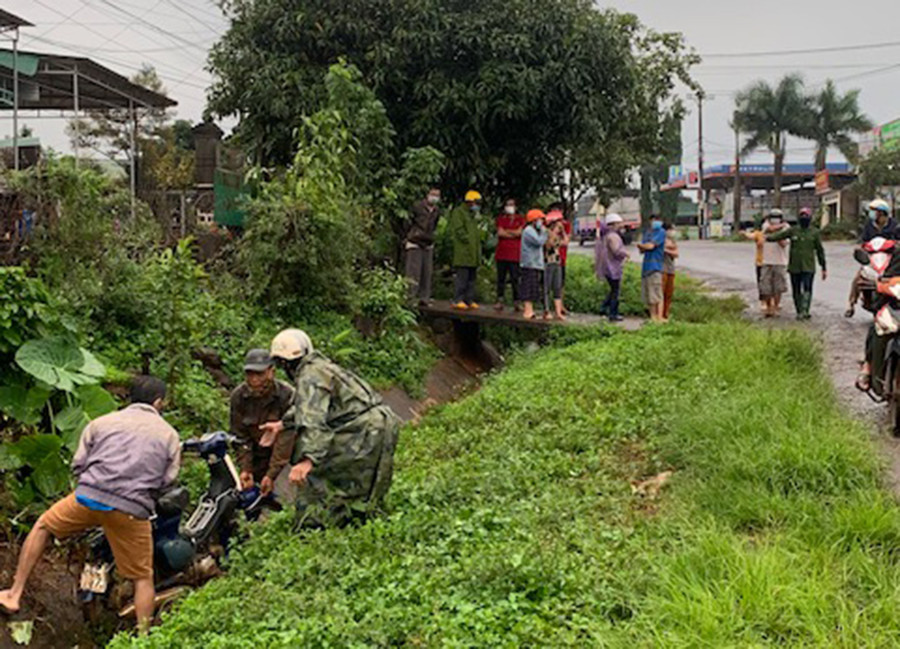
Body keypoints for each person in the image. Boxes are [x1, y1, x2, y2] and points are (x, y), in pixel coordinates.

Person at [0, 376, 180, 632]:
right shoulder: (169, 435)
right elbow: (168, 480)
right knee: (142, 576)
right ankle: (144, 637)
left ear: (129, 398)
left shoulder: (101, 422)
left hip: (88, 498)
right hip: (130, 510)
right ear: (159, 402)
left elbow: (78, 463)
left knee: (42, 526)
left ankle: (14, 594)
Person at [270, 329, 400, 528]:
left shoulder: (309, 375)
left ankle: (313, 532)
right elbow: (308, 405)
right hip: (381, 423)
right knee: (368, 485)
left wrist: (308, 460)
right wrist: (282, 424)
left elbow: (313, 419)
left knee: (319, 484)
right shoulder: (321, 367)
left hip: (362, 430)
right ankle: (362, 526)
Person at [230, 349, 296, 497]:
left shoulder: (287, 395)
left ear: (271, 372)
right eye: (250, 374)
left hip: (285, 460)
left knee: (284, 497)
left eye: (259, 374)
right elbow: (240, 437)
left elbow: (287, 439)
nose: (254, 379)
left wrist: (272, 474)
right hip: (255, 456)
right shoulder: (239, 397)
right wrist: (246, 469)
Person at [767, 208, 827, 320]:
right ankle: (799, 311)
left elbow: (820, 251)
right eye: (802, 215)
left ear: (810, 218)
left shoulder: (814, 232)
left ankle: (805, 310)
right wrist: (765, 237)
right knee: (796, 289)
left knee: (807, 288)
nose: (804, 217)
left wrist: (823, 267)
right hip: (794, 266)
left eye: (806, 215)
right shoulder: (793, 231)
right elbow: (778, 236)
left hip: (808, 266)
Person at [847, 199, 897, 317]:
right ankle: (851, 304)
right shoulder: (869, 225)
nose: (873, 214)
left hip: (890, 259)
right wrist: (860, 249)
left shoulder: (894, 225)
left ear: (882, 213)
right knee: (858, 278)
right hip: (873, 259)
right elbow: (863, 241)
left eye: (875, 211)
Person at [405, 187, 442, 305]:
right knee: (413, 271)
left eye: (437, 195)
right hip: (414, 241)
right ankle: (410, 298)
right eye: (433, 194)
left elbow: (434, 225)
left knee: (427, 271)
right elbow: (408, 222)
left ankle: (424, 298)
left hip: (428, 242)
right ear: (427, 195)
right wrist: (410, 235)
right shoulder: (417, 207)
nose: (434, 197)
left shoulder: (437, 211)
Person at [448, 190, 483, 310]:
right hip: (463, 252)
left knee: (471, 279)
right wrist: (467, 241)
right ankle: (458, 299)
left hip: (473, 253)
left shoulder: (473, 216)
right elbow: (459, 231)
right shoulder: (459, 212)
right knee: (462, 278)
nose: (477, 205)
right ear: (470, 202)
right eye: (476, 203)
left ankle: (469, 299)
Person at [595, 213, 629, 322]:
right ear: (613, 224)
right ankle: (613, 314)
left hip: (608, 267)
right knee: (615, 291)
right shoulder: (613, 236)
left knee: (613, 289)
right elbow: (616, 250)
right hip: (612, 267)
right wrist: (625, 254)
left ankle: (603, 307)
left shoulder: (606, 236)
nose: (621, 225)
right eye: (619, 223)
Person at [494, 198, 526, 311]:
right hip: (501, 254)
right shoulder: (501, 219)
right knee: (500, 279)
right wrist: (513, 233)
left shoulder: (520, 219)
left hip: (515, 254)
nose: (509, 207)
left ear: (516, 207)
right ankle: (499, 300)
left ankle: (517, 302)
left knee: (515, 279)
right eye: (507, 205)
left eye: (512, 205)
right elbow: (500, 233)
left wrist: (507, 232)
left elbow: (520, 233)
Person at [758, 209, 790, 318]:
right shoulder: (765, 225)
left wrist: (777, 235)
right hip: (766, 261)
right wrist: (777, 230)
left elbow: (783, 243)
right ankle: (768, 307)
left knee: (778, 287)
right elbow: (768, 229)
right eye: (773, 217)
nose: (775, 220)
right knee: (766, 286)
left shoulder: (786, 228)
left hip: (780, 261)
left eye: (777, 217)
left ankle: (775, 307)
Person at [636, 214, 667, 323]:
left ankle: (659, 317)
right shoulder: (647, 233)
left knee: (656, 293)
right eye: (653, 220)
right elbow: (643, 249)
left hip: (656, 267)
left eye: (657, 220)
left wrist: (642, 246)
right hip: (646, 267)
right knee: (649, 294)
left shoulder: (661, 232)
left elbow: (650, 246)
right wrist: (642, 246)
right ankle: (652, 317)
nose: (654, 222)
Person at [520, 209, 548, 320]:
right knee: (528, 287)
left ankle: (530, 310)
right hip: (529, 263)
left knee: (533, 288)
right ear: (534, 220)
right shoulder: (528, 231)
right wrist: (544, 232)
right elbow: (539, 242)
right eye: (540, 219)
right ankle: (527, 310)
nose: (541, 222)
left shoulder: (534, 231)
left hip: (535, 263)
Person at [548, 202, 573, 312]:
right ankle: (547, 306)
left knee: (560, 283)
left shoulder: (566, 225)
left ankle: (560, 305)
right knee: (547, 283)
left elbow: (566, 242)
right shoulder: (546, 225)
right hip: (548, 258)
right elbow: (548, 242)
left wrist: (561, 230)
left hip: (561, 258)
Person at [740, 219, 767, 313]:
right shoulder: (758, 234)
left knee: (772, 284)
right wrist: (744, 233)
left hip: (773, 262)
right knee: (761, 283)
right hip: (760, 262)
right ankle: (763, 302)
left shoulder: (778, 233)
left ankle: (772, 302)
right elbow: (750, 236)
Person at [544, 210, 567, 320]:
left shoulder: (558, 236)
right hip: (548, 263)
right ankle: (547, 310)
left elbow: (565, 242)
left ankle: (558, 312)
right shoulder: (546, 233)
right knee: (547, 287)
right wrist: (553, 234)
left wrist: (563, 232)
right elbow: (549, 246)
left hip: (557, 262)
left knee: (557, 287)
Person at [662, 223, 679, 321]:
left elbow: (676, 254)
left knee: (669, 293)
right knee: (662, 292)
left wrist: (666, 250)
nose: (673, 232)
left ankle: (666, 313)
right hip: (662, 269)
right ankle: (660, 313)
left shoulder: (672, 241)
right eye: (671, 229)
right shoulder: (661, 240)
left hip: (671, 269)